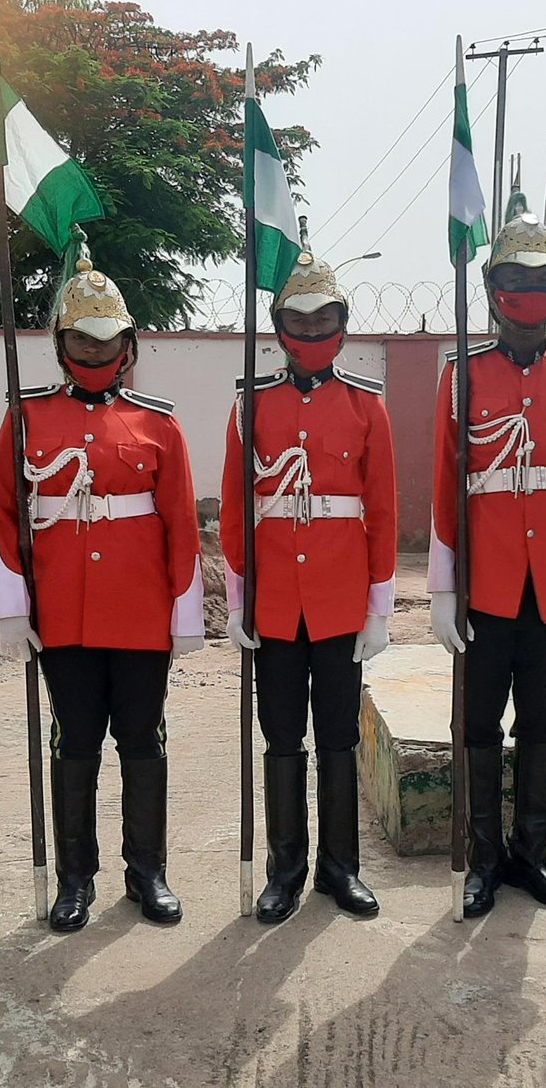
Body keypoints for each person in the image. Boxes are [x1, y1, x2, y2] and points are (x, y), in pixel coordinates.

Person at [0, 248, 205, 931]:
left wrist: (186, 612)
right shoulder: (25, 419)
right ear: (59, 345)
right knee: (74, 744)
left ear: (129, 344)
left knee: (143, 741)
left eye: (108, 338)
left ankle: (149, 875)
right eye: (82, 337)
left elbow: (180, 523)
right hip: (63, 617)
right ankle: (76, 880)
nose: (96, 349)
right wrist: (12, 608)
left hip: (140, 615)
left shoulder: (158, 424)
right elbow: (1, 512)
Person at [428, 213, 546, 918]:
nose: (527, 293)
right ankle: (484, 861)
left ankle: (532, 856)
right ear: (491, 288)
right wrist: (443, 588)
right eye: (514, 280)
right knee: (478, 726)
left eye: (541, 281)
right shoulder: (462, 376)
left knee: (543, 724)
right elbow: (447, 486)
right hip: (487, 583)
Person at [221, 247, 397, 923]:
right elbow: (237, 512)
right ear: (279, 325)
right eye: (300, 319)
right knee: (282, 738)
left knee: (339, 740)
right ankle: (285, 872)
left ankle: (340, 869)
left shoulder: (365, 406)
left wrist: (378, 607)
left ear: (342, 325)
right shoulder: (251, 404)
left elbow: (381, 512)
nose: (312, 330)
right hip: (276, 604)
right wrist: (237, 599)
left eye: (324, 318)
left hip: (339, 600)